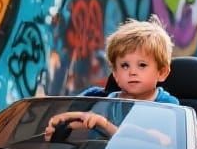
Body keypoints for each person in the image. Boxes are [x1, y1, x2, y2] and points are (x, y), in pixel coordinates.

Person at [44, 16, 178, 140]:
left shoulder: (167, 105)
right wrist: (62, 126)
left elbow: (162, 142)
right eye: (125, 66)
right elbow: (85, 124)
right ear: (115, 74)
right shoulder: (107, 102)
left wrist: (104, 125)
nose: (132, 72)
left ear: (162, 73)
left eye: (142, 65)